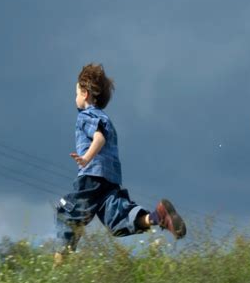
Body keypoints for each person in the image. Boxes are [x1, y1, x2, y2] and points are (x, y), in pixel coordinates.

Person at [54, 63, 186, 264]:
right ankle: (158, 216)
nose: (75, 99)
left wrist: (86, 158)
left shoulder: (86, 116)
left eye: (76, 94)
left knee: (66, 214)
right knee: (118, 221)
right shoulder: (108, 120)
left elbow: (99, 139)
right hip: (110, 179)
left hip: (92, 176)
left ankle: (58, 271)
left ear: (86, 93)